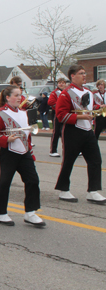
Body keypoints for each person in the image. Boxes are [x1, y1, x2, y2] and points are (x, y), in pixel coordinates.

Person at [0, 86, 45, 226]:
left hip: (24, 153)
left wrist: (29, 151)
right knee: (4, 182)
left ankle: (30, 212)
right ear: (7, 97)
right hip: (7, 153)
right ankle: (1, 212)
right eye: (16, 95)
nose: (19, 98)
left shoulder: (25, 113)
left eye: (20, 95)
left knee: (33, 180)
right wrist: (6, 140)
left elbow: (27, 135)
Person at [55, 65, 106, 204]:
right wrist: (80, 117)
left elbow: (90, 107)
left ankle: (93, 191)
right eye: (81, 73)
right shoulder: (66, 93)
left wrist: (99, 108)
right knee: (69, 161)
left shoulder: (89, 92)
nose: (84, 75)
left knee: (95, 160)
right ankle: (64, 190)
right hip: (73, 131)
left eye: (84, 73)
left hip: (87, 131)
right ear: (72, 76)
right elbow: (60, 115)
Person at [48, 78, 67, 157]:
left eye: (63, 83)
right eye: (60, 83)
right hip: (57, 114)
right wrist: (60, 104)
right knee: (56, 132)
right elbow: (50, 102)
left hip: (66, 114)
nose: (61, 84)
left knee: (67, 133)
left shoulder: (67, 92)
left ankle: (69, 150)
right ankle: (53, 150)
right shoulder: (54, 93)